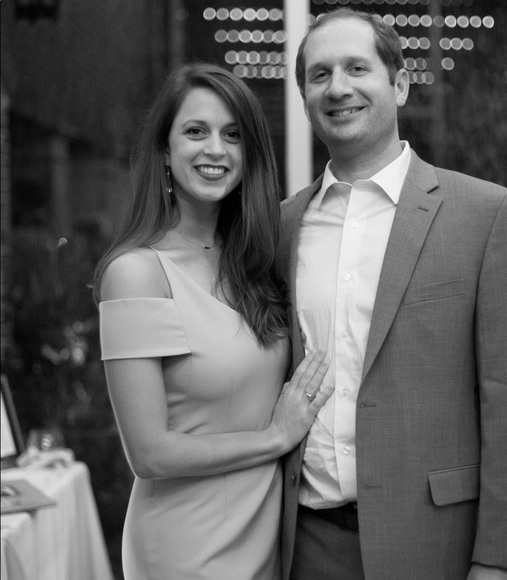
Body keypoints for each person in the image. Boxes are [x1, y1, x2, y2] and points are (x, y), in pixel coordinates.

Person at [277, 8, 507, 580]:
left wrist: (502, 563)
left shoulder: (487, 215)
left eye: (357, 68)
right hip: (303, 547)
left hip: (438, 543)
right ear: (304, 99)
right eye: (320, 75)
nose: (338, 87)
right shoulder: (280, 227)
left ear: (399, 85)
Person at [92, 63, 333, 580]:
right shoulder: (136, 272)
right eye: (196, 132)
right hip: (187, 547)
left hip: (264, 537)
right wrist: (276, 437)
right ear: (165, 150)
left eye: (233, 135)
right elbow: (148, 454)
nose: (216, 150)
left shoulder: (254, 261)